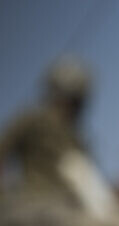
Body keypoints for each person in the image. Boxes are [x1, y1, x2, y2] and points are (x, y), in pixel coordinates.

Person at [0, 56, 113, 216]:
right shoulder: (33, 120)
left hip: (72, 209)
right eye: (77, 100)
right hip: (37, 205)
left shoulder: (77, 136)